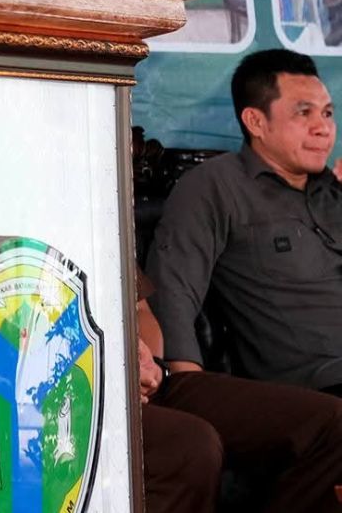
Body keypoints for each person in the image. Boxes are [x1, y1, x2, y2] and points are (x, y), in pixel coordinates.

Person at [146, 49, 342, 395]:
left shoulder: (333, 191)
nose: (323, 129)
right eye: (304, 113)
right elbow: (172, 289)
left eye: (327, 113)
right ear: (256, 122)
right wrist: (189, 389)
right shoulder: (216, 186)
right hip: (313, 391)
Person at [137, 271, 342, 512]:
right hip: (104, 397)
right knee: (190, 446)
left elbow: (140, 310)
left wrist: (150, 364)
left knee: (334, 423)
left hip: (155, 382)